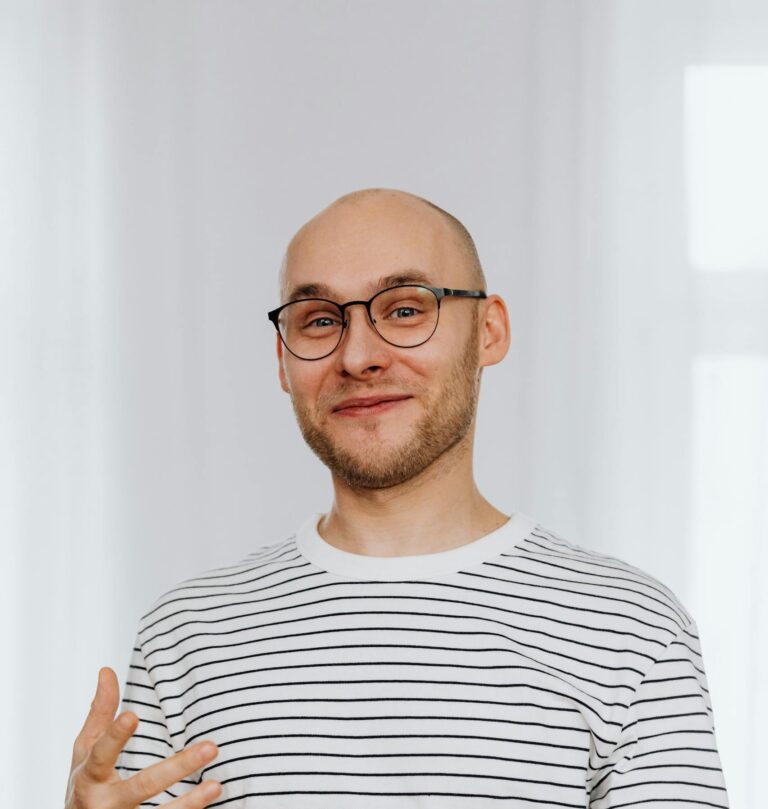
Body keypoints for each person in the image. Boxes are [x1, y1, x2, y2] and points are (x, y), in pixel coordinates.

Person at [65, 188, 730, 808]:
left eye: (406, 308)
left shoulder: (630, 628)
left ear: (488, 331)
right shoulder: (185, 634)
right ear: (281, 359)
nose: (358, 356)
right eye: (320, 319)